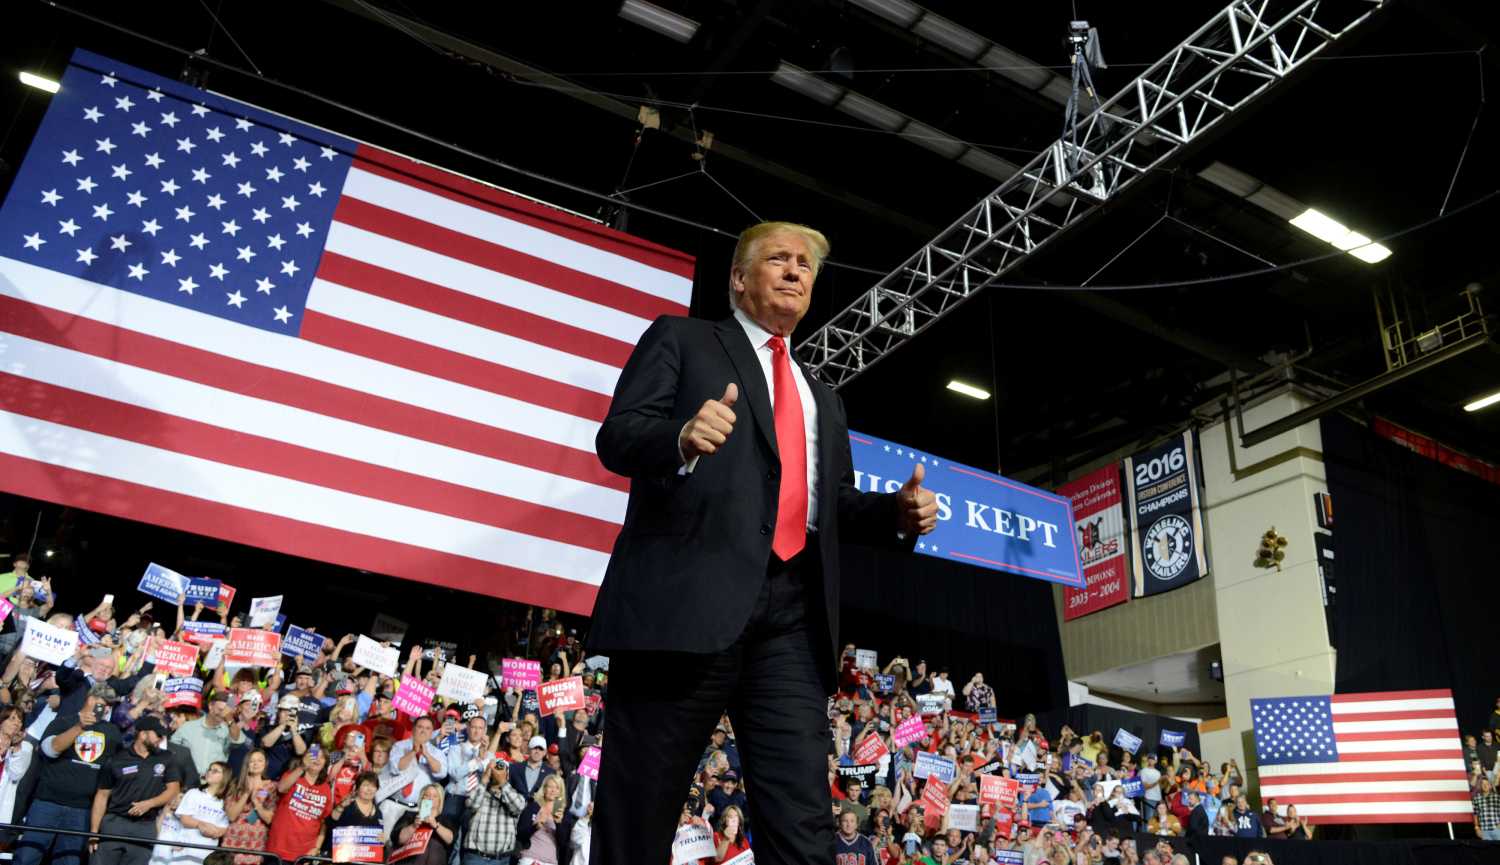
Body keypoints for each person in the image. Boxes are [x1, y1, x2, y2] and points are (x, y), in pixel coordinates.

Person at [588, 220, 937, 864]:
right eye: (778, 258)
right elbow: (617, 437)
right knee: (639, 812)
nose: (795, 271)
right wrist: (681, 436)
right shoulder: (683, 339)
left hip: (792, 621)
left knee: (802, 827)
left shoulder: (822, 398)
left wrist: (897, 513)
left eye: (806, 265)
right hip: (687, 606)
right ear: (740, 278)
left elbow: (829, 506)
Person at [14, 684, 124, 865]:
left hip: (82, 810)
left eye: (107, 706)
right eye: (100, 703)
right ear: (89, 700)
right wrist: (79, 727)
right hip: (47, 803)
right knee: (27, 857)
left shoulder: (112, 733)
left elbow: (115, 769)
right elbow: (50, 749)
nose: (103, 709)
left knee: (68, 861)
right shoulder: (62, 722)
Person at [90, 716, 184, 865]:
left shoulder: (167, 758)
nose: (160, 739)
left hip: (145, 826)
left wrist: (150, 803)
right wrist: (94, 832)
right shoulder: (116, 759)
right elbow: (102, 796)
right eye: (157, 735)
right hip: (115, 823)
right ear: (143, 734)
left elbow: (173, 790)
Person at [265, 747, 333, 863]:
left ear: (325, 764)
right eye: (314, 755)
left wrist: (316, 847)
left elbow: (323, 822)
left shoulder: (326, 788)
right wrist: (302, 766)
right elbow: (281, 788)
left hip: (304, 854)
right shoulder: (294, 776)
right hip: (279, 849)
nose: (317, 760)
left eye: (322, 757)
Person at [165, 761, 231, 865]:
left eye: (215, 771)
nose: (210, 772)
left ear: (225, 777)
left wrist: (214, 832)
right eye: (209, 769)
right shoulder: (194, 793)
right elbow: (185, 819)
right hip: (184, 851)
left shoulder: (225, 801)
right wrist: (201, 825)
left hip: (206, 854)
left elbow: (223, 828)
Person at [462, 761, 528, 865]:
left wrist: (503, 782)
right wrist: (484, 779)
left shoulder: (514, 795)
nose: (497, 771)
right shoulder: (479, 791)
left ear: (507, 775)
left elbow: (518, 807)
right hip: (476, 857)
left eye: (502, 770)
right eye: (494, 769)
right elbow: (471, 805)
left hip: (501, 859)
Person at [222, 750, 277, 865]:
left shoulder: (271, 787)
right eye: (252, 761)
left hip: (255, 845)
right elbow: (231, 816)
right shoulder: (236, 785)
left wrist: (256, 803)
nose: (256, 764)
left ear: (265, 763)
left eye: (259, 760)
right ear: (246, 764)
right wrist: (247, 793)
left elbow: (270, 819)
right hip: (232, 841)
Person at [170, 696, 247, 778]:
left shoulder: (228, 730)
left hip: (214, 783)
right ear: (210, 706)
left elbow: (237, 740)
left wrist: (229, 718)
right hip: (188, 779)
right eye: (220, 710)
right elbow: (172, 749)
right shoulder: (187, 727)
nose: (222, 714)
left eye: (226, 712)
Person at [390, 783, 458, 865]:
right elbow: (398, 839)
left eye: (434, 796)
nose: (430, 798)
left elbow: (450, 839)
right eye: (427, 795)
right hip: (410, 860)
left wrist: (435, 825)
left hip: (435, 858)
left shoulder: (446, 820)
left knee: (433, 844)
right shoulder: (410, 816)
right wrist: (413, 826)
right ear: (422, 798)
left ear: (440, 800)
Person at [516, 774, 571, 865]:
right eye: (550, 787)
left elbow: (563, 843)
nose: (553, 790)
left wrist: (558, 824)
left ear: (560, 791)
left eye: (557, 788)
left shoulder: (564, 813)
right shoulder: (533, 807)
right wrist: (536, 826)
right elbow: (520, 835)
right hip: (530, 858)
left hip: (551, 861)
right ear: (544, 789)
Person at [1475, 776, 1500, 841]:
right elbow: (1475, 814)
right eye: (1483, 784)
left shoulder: (1497, 797)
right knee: (1488, 850)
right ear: (1480, 786)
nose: (1485, 786)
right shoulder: (1477, 799)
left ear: (1490, 786)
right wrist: (1477, 828)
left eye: (1487, 784)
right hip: (1484, 831)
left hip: (1497, 829)